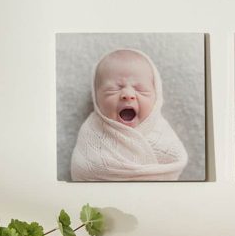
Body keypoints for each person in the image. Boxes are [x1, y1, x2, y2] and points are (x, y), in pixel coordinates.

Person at [70, 49, 188, 181]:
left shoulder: (162, 132)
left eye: (141, 89)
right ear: (96, 98)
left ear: (157, 97)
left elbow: (175, 165)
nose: (128, 94)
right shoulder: (92, 132)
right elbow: (83, 170)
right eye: (112, 89)